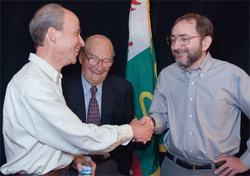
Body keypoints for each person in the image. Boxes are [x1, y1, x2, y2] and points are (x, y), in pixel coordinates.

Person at [0, 3, 154, 175]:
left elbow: (49, 137)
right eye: (76, 33)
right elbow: (79, 136)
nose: (81, 42)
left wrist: (73, 158)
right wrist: (131, 130)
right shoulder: (35, 85)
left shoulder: (46, 79)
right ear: (53, 35)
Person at [146, 13, 250, 175]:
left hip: (217, 171)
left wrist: (246, 161)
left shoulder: (233, 76)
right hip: (172, 168)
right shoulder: (167, 76)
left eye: (184, 39)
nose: (175, 46)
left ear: (205, 42)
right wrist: (151, 122)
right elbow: (162, 117)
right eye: (173, 39)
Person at [62, 34, 135, 175]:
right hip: (71, 168)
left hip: (111, 168)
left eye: (106, 61)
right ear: (81, 57)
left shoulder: (123, 89)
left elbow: (128, 138)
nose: (99, 67)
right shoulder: (62, 88)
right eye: (93, 59)